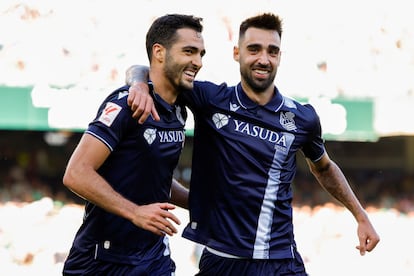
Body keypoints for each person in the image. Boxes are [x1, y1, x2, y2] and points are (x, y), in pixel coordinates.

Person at [126, 13, 380, 275]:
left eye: (272, 51)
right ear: (237, 53)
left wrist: (360, 215)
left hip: (280, 262)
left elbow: (324, 168)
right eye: (254, 49)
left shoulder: (302, 118)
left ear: (280, 57)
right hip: (221, 261)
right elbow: (146, 69)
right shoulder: (209, 99)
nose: (263, 59)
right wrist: (139, 86)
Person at [62, 14, 205, 275]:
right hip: (101, 260)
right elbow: (76, 173)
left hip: (153, 259)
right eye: (189, 51)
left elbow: (155, 178)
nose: (197, 62)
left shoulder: (179, 111)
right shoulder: (125, 105)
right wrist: (135, 212)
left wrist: (199, 202)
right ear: (159, 53)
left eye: (201, 54)